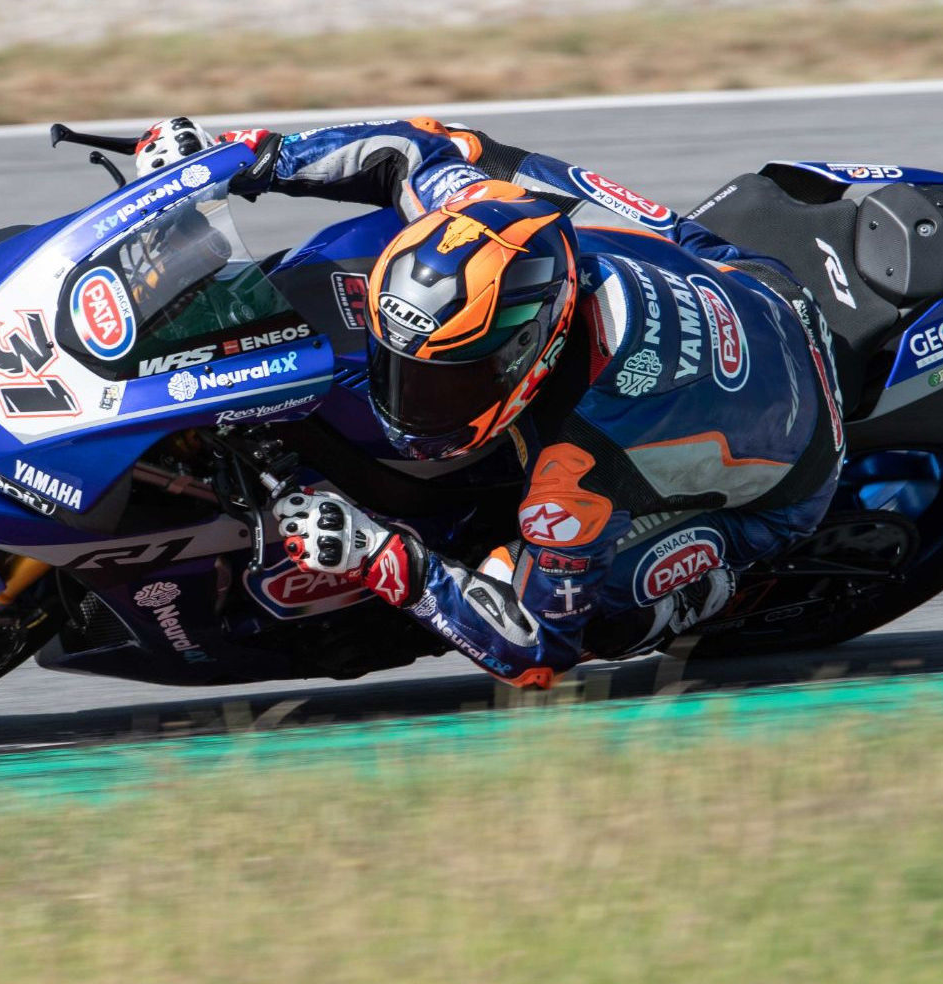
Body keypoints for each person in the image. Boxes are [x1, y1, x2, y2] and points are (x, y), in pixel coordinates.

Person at [143, 116, 847, 688]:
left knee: (591, 609)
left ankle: (713, 587)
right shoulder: (489, 218)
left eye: (448, 380)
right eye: (405, 369)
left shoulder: (575, 471)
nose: (411, 399)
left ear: (524, 353)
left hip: (797, 471)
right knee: (493, 163)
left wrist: (380, 555)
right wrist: (244, 158)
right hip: (747, 278)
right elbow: (415, 147)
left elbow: (536, 649)